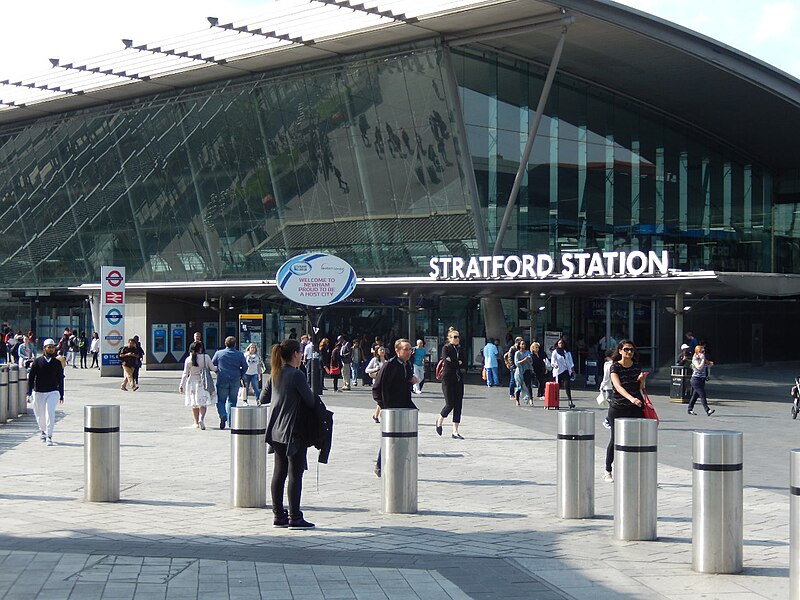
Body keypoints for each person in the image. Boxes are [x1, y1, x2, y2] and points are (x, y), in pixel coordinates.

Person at [262, 338, 316, 529]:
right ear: (295, 354)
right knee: (295, 473)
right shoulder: (296, 375)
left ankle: (278, 515)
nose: (302, 355)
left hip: (275, 430)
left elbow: (263, 398)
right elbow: (310, 401)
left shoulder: (275, 373)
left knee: (279, 471)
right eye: (301, 352)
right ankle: (295, 516)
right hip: (293, 430)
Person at [372, 338, 418, 477]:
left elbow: (406, 380)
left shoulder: (407, 364)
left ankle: (400, 464)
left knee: (404, 437)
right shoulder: (390, 365)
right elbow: (377, 387)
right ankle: (380, 465)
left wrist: (411, 380)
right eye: (406, 349)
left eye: (410, 349)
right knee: (390, 438)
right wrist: (383, 406)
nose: (409, 352)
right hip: (392, 407)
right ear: (397, 350)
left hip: (405, 405)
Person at [603, 340, 647, 482]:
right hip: (619, 407)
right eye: (627, 349)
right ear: (620, 351)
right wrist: (631, 398)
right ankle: (608, 470)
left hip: (635, 407)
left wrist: (642, 380)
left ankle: (636, 472)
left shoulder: (636, 366)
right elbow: (618, 387)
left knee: (638, 439)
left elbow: (640, 388)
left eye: (632, 350)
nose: (629, 352)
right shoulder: (615, 367)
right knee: (615, 439)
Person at [26, 339, 64, 446]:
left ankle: (49, 436)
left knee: (50, 413)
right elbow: (31, 377)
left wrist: (61, 394)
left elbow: (60, 378)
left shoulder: (57, 363)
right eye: (49, 347)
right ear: (44, 348)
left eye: (53, 347)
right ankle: (43, 431)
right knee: (40, 415)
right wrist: (28, 393)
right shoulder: (37, 362)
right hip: (38, 392)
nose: (51, 349)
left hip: (53, 392)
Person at [212, 336, 248, 429]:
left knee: (220, 400)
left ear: (225, 343)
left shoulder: (219, 353)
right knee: (232, 401)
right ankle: (231, 422)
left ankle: (223, 414)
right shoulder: (239, 354)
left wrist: (217, 372)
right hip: (235, 379)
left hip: (222, 379)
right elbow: (245, 366)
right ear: (235, 344)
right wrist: (240, 375)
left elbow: (212, 364)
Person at [435, 327, 466, 439]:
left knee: (458, 404)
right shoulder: (446, 348)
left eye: (458, 337)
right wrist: (457, 362)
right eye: (455, 337)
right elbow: (447, 362)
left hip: (458, 378)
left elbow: (464, 363)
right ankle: (439, 421)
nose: (457, 339)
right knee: (450, 403)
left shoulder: (460, 349)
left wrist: (456, 362)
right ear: (450, 338)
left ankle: (455, 431)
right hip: (447, 378)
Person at [179, 341, 216, 429]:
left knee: (194, 403)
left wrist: (181, 385)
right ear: (200, 349)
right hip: (203, 382)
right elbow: (213, 368)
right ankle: (201, 419)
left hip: (191, 382)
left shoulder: (188, 359)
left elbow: (185, 373)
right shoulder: (205, 357)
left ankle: (196, 422)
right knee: (203, 403)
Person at [687, 343, 715, 417]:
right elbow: (699, 367)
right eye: (701, 352)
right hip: (695, 379)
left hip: (702, 379)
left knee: (695, 395)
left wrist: (709, 363)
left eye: (704, 352)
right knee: (702, 394)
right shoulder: (695, 359)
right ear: (697, 352)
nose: (703, 353)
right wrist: (702, 359)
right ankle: (707, 410)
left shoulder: (703, 358)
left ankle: (690, 409)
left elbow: (709, 364)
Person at [551, 338, 576, 409]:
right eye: (559, 343)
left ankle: (570, 401)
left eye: (562, 343)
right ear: (557, 344)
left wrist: (572, 370)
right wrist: (554, 365)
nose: (561, 345)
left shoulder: (567, 352)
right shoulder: (555, 352)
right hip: (558, 371)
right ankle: (556, 403)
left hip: (565, 370)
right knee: (557, 387)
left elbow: (571, 362)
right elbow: (553, 360)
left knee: (567, 386)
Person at [365, 346, 387, 423]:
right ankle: (379, 416)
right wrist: (375, 369)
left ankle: (376, 416)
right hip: (377, 383)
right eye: (381, 350)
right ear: (377, 352)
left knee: (382, 401)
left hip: (385, 383)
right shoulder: (374, 360)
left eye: (383, 349)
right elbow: (367, 370)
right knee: (381, 401)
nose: (382, 351)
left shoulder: (386, 361)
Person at [514, 340, 535, 406]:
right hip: (519, 371)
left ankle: (531, 399)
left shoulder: (527, 352)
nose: (523, 345)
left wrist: (528, 360)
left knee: (528, 385)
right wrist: (524, 360)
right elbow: (517, 362)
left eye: (524, 344)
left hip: (527, 370)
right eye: (522, 344)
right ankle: (517, 399)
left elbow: (530, 360)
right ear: (519, 345)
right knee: (519, 386)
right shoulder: (517, 353)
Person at [599, 349, 615, 429]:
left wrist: (602, 386)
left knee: (612, 404)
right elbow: (606, 377)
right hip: (612, 387)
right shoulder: (610, 364)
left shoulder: (608, 364)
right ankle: (608, 420)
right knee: (613, 405)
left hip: (609, 387)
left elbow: (605, 377)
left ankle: (609, 419)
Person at [506, 337, 522, 404]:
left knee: (519, 380)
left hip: (519, 367)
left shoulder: (520, 349)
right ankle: (511, 394)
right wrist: (512, 367)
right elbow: (510, 358)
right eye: (520, 341)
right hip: (513, 367)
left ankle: (518, 392)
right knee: (513, 380)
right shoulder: (512, 348)